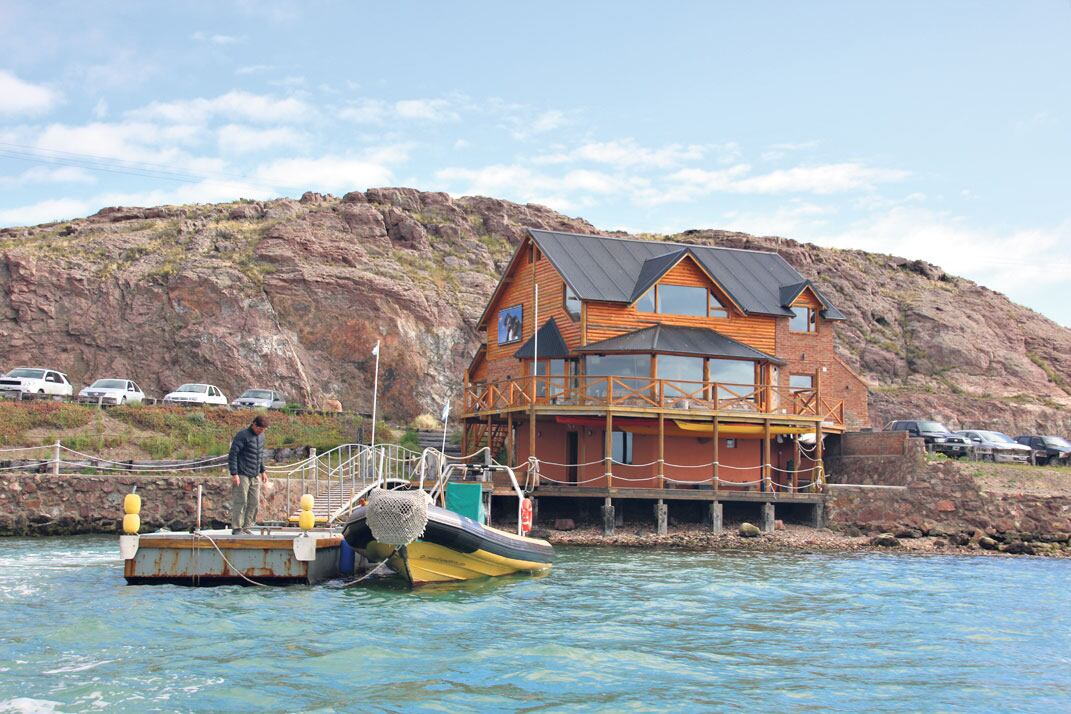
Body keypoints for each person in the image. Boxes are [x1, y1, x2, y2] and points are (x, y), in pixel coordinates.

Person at [228, 415, 269, 535]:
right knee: (241, 500)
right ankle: (237, 528)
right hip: (242, 474)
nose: (261, 431)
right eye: (260, 429)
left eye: (264, 430)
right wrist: (234, 473)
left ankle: (247, 526)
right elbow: (233, 454)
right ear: (254, 424)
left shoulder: (261, 436)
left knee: (254, 502)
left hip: (255, 474)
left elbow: (259, 455)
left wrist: (263, 471)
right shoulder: (242, 435)